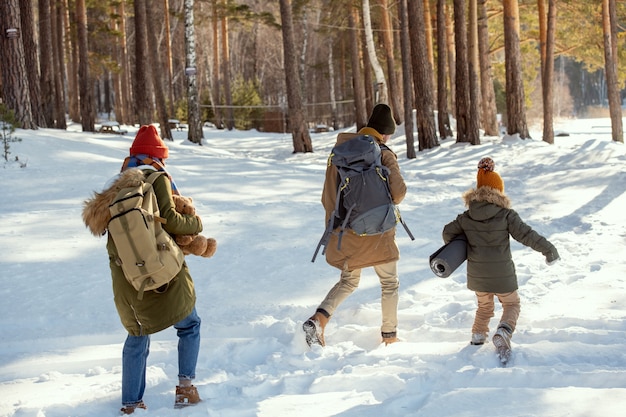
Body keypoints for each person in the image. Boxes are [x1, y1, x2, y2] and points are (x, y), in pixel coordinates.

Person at [82, 125, 204, 414]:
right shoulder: (156, 177)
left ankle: (131, 405)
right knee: (190, 324)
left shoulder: (116, 188)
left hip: (129, 280)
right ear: (156, 156)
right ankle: (185, 390)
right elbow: (172, 221)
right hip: (165, 272)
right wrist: (196, 224)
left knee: (137, 334)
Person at [303, 103, 407, 346]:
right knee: (389, 283)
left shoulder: (340, 151)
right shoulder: (383, 152)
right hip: (380, 231)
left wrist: (337, 225)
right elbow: (399, 193)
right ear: (384, 133)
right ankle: (390, 337)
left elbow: (327, 196)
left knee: (349, 280)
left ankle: (319, 320)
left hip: (347, 230)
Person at [441, 157, 559, 352]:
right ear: (498, 192)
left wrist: (462, 243)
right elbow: (527, 235)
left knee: (484, 307)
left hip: (478, 274)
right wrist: (549, 250)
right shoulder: (506, 215)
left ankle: (478, 337)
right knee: (512, 304)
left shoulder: (467, 216)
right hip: (502, 273)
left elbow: (447, 232)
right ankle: (504, 331)